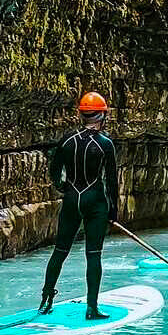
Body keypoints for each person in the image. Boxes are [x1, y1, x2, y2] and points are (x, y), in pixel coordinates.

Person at [40, 92, 119, 319]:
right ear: (102, 115)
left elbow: (54, 171)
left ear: (81, 114)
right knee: (93, 255)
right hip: (95, 202)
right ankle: (92, 308)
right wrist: (114, 211)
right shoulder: (106, 144)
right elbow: (112, 181)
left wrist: (62, 186)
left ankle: (46, 299)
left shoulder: (66, 140)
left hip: (72, 198)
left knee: (60, 251)